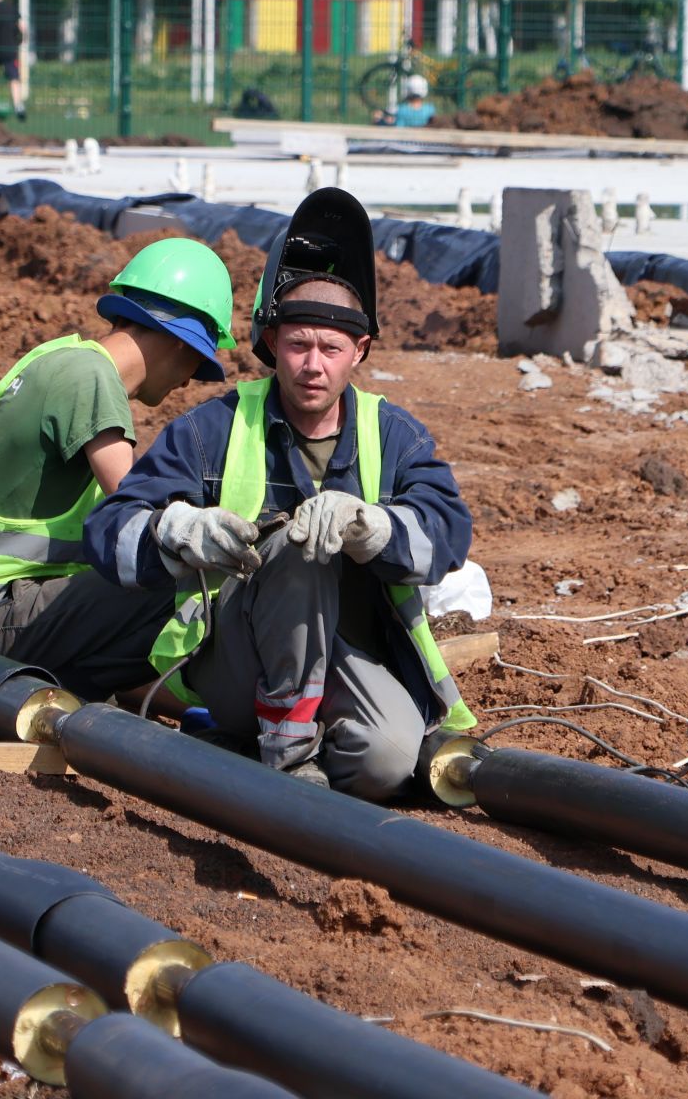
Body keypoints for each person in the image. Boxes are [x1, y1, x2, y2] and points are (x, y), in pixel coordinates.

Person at [85, 189, 477, 800]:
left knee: (387, 760)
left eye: (331, 349)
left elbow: (449, 531)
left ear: (360, 351)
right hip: (235, 661)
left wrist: (375, 527)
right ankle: (287, 751)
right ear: (271, 344)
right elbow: (110, 529)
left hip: (345, 653)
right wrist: (178, 530)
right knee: (299, 542)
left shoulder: (392, 433)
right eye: (298, 345)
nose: (312, 365)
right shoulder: (213, 427)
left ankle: (257, 746)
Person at [0, 237, 238, 700]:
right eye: (197, 364)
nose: (186, 382)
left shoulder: (60, 357)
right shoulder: (92, 381)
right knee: (184, 582)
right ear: (181, 345)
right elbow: (143, 515)